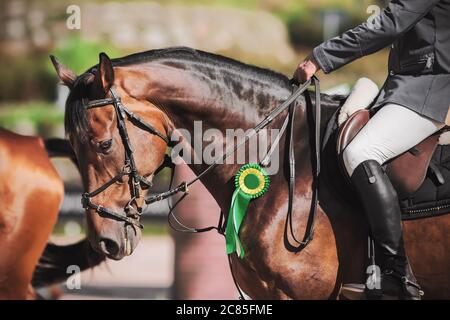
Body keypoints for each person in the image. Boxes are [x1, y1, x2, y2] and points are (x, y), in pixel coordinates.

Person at [293, 0, 450, 300]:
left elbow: (387, 24)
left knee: (360, 152)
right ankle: (368, 266)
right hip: (407, 87)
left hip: (429, 90)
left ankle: (395, 272)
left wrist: (320, 57)